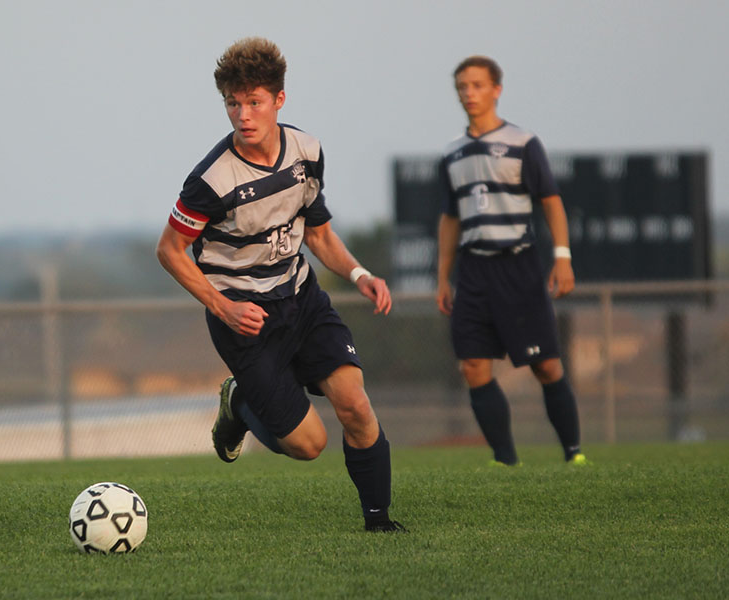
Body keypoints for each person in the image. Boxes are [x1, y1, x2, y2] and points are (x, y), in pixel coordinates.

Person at [156, 37, 405, 531]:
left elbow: (318, 234)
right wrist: (222, 306)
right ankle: (240, 403)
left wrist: (358, 274)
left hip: (303, 301)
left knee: (355, 403)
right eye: (233, 102)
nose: (243, 115)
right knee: (309, 445)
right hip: (245, 322)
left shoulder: (306, 152)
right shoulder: (210, 181)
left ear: (279, 100)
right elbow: (168, 250)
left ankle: (378, 522)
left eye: (254, 101)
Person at [435, 55, 587, 466]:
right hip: (474, 270)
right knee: (473, 366)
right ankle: (505, 461)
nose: (469, 93)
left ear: (496, 90)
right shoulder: (452, 153)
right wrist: (442, 276)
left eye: (478, 85)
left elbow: (550, 201)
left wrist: (562, 257)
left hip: (517, 265)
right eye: (463, 86)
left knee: (545, 366)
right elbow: (450, 218)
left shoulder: (523, 143)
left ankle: (573, 453)